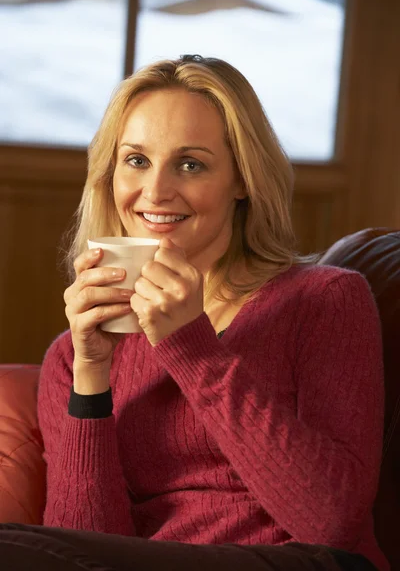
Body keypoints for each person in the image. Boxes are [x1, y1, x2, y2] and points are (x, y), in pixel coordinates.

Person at [0, 55, 388, 571]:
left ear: (242, 179)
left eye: (191, 164)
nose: (156, 192)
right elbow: (84, 543)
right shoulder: (75, 354)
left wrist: (190, 346)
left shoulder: (324, 300)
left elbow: (332, 522)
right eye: (136, 160)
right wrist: (90, 375)